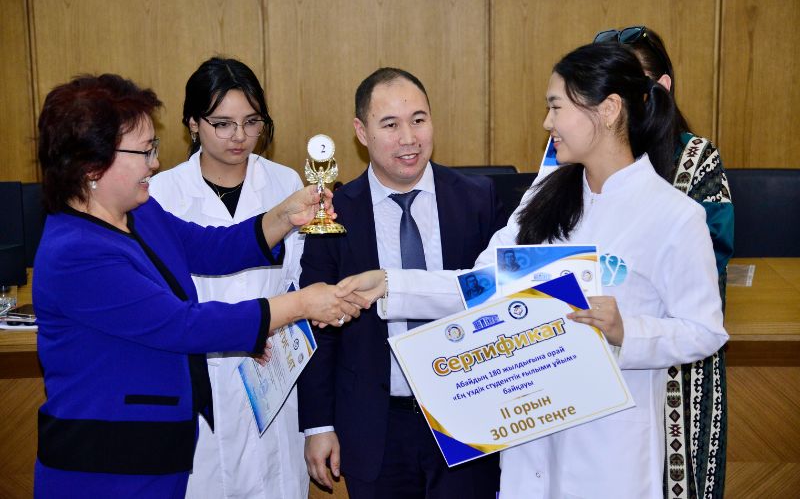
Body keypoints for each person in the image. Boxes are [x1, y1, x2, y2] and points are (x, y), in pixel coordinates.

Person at [337, 44, 728, 498]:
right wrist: (391, 283)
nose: (547, 122)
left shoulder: (673, 216)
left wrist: (627, 331)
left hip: (611, 448)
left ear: (607, 110)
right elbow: (482, 286)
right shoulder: (547, 196)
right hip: (531, 435)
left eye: (556, 107)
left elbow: (705, 331)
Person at [32, 73, 366, 498]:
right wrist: (301, 305)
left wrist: (285, 215)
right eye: (145, 151)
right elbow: (184, 325)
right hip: (106, 464)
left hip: (157, 450)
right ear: (92, 165)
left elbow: (211, 247)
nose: (155, 162)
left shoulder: (138, 212)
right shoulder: (76, 252)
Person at [297, 67, 505, 498]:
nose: (408, 138)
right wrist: (318, 425)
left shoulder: (476, 198)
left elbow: (495, 296)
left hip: (468, 410)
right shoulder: (335, 213)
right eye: (390, 125)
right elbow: (316, 326)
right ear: (362, 132)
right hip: (376, 425)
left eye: (418, 120)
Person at [149, 57, 309, 498]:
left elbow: (298, 278)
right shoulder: (161, 194)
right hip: (200, 380)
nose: (239, 136)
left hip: (272, 378)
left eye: (251, 122)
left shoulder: (285, 183)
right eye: (222, 124)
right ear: (193, 124)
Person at [594, 26, 734, 499]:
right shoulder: (583, 157)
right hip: (596, 352)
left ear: (661, 87)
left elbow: (710, 258)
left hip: (677, 365)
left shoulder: (695, 158)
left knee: (679, 480)